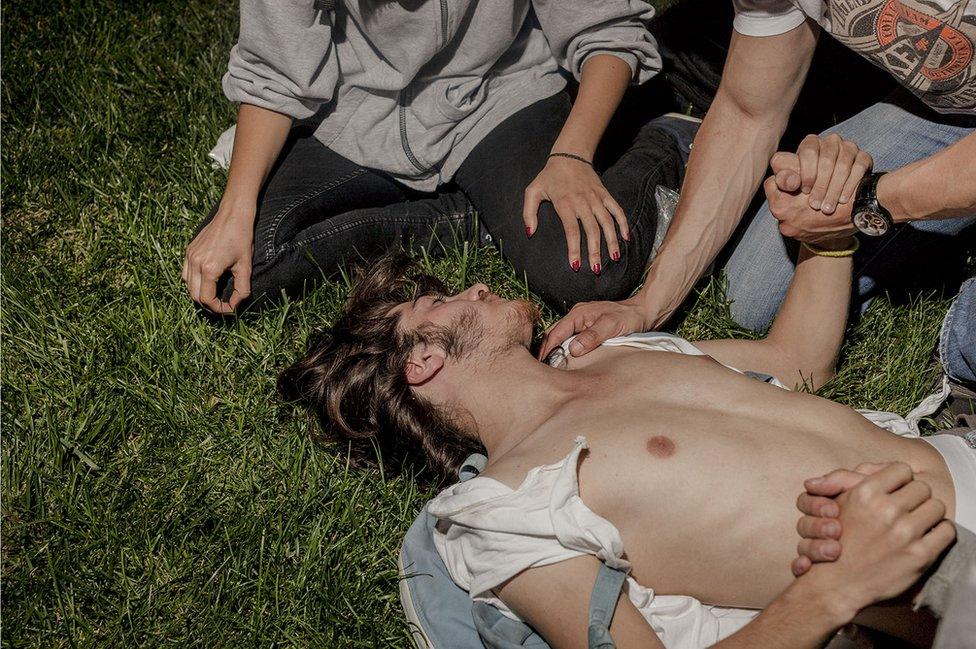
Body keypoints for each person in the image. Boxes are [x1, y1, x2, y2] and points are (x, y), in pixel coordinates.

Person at [278, 242, 974, 647]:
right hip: (943, 572)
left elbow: (796, 360)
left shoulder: (619, 350)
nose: (478, 286)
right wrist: (833, 592)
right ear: (422, 364)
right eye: (441, 304)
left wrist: (826, 238)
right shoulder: (504, 508)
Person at [539, 0, 975, 388]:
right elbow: (748, 114)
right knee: (750, 298)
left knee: (970, 342)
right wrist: (646, 306)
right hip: (943, 111)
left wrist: (871, 201)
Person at [183, 0, 697, 316]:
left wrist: (572, 155)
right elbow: (276, 71)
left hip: (502, 96)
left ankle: (665, 139)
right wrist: (235, 211)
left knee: (588, 273)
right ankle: (475, 218)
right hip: (360, 115)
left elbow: (606, 31)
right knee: (244, 271)